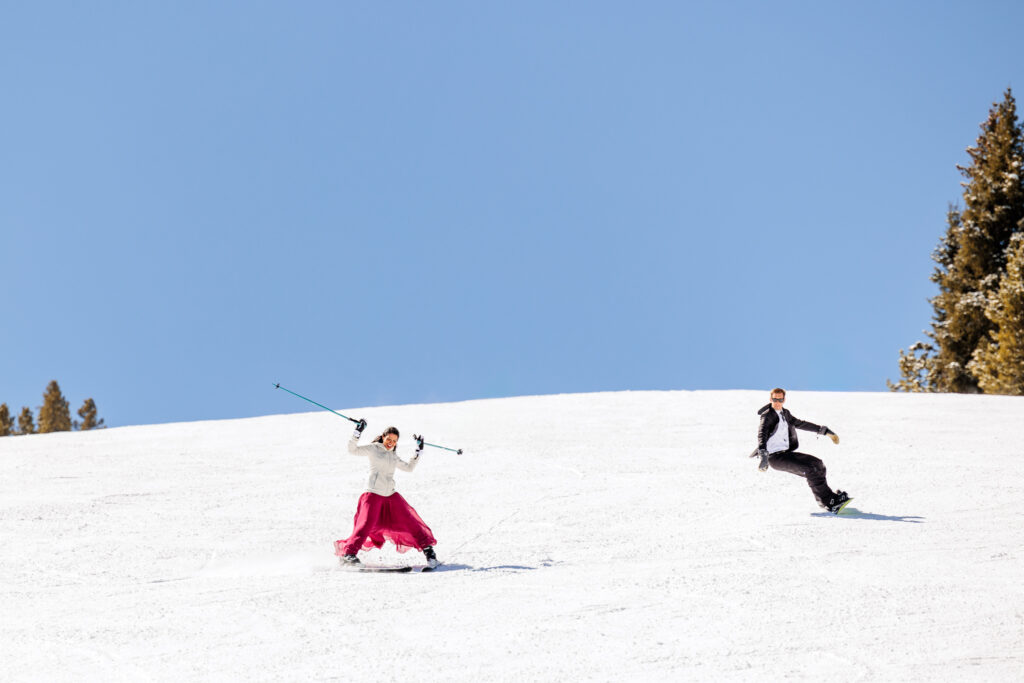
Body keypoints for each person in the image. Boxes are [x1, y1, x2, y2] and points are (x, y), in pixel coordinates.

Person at [335, 420, 439, 568]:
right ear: (383, 437)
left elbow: (409, 468)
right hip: (373, 494)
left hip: (390, 495)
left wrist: (418, 451)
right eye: (389, 439)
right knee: (365, 525)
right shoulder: (373, 449)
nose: (391, 443)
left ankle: (429, 553)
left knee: (410, 521)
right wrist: (357, 432)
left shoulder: (393, 456)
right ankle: (348, 555)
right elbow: (352, 450)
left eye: (394, 441)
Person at [750, 388, 851, 513]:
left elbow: (800, 424)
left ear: (784, 400)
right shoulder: (767, 415)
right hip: (775, 458)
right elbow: (762, 434)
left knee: (817, 463)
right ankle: (828, 503)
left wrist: (824, 431)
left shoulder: (785, 413)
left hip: (786, 454)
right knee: (810, 469)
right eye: (775, 399)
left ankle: (829, 498)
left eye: (780, 399)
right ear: (770, 399)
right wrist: (763, 455)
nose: (777, 402)